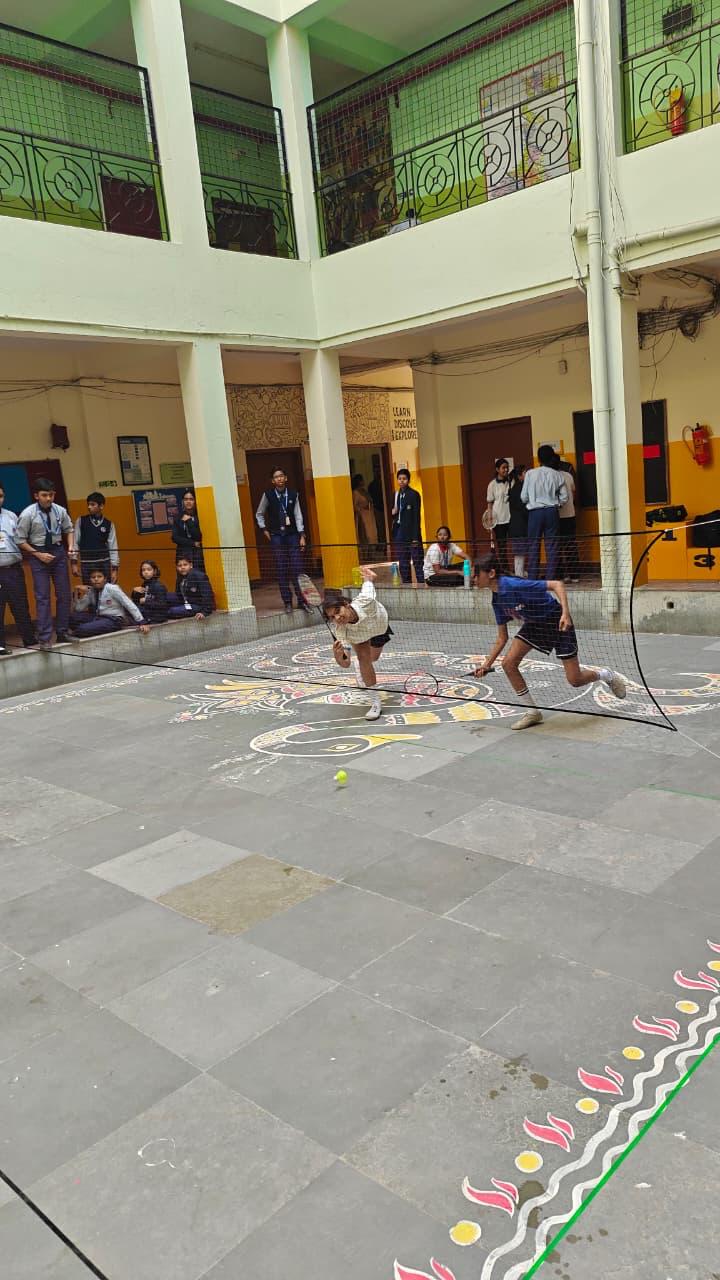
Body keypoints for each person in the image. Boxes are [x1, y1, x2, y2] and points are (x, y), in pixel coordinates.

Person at [472, 551, 626, 730]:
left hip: (556, 620)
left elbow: (557, 585)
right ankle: (532, 712)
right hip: (535, 625)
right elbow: (502, 637)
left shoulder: (514, 585)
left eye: (477, 574)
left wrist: (565, 613)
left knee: (575, 680)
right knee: (508, 664)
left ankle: (606, 675)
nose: (473, 578)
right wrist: (486, 665)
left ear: (490, 574)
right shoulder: (497, 600)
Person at [15, 477, 77, 651]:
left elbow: (69, 529)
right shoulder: (28, 514)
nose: (48, 499)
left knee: (64, 594)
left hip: (57, 552)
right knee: (43, 597)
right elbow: (20, 540)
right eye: (44, 495)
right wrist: (38, 554)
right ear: (36, 496)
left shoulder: (60, 510)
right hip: (37, 553)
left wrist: (71, 546)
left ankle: (63, 632)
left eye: (51, 495)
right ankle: (44, 638)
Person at [323, 567, 392, 722]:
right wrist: (338, 656)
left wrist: (369, 578)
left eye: (338, 610)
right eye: (332, 616)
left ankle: (361, 668)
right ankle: (375, 703)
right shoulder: (341, 629)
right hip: (359, 636)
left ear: (346, 604)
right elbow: (345, 663)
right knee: (364, 659)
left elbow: (368, 584)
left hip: (379, 625)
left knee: (374, 657)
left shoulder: (365, 601)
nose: (337, 617)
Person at [255, 467, 309, 614]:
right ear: (272, 481)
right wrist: (264, 530)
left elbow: (298, 515)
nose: (279, 479)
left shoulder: (293, 494)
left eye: (281, 476)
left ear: (286, 478)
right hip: (277, 536)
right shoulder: (268, 495)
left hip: (292, 536)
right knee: (281, 569)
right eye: (276, 477)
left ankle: (302, 601)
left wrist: (302, 535)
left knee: (298, 569)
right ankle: (287, 602)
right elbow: (259, 513)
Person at [521, 445, 568, 579]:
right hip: (552, 512)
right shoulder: (557, 474)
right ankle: (550, 579)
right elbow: (564, 497)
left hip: (535, 513)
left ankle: (533, 578)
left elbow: (523, 497)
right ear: (552, 457)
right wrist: (556, 504)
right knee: (552, 546)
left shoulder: (530, 473)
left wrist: (531, 502)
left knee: (533, 545)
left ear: (539, 458)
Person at [0, 484, 37, 653]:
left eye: (0, 496)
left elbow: (21, 539)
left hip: (14, 569)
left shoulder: (11, 516)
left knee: (21, 607)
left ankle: (30, 640)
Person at [70, 567, 149, 638]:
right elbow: (78, 609)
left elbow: (128, 603)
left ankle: (77, 632)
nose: (96, 579)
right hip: (98, 618)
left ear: (105, 579)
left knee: (82, 629)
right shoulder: (92, 591)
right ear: (90, 580)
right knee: (71, 618)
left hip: (114, 620)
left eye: (99, 577)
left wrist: (141, 621)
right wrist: (77, 592)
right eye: (93, 577)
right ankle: (80, 630)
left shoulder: (112, 588)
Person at [73, 492, 119, 584]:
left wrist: (115, 569)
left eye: (92, 504)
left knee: (106, 591)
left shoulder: (109, 524)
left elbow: (113, 546)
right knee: (88, 591)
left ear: (101, 506)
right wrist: (74, 563)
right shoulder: (81, 521)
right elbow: (75, 542)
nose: (89, 507)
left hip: (104, 563)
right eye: (88, 504)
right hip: (86, 563)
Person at [391, 468, 424, 584]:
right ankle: (406, 583)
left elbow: (416, 517)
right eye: (399, 479)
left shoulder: (414, 495)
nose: (401, 481)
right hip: (400, 531)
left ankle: (421, 583)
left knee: (417, 560)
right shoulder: (396, 494)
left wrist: (415, 537)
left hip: (411, 532)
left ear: (408, 480)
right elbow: (394, 512)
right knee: (403, 561)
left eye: (404, 479)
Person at [553, 456, 580, 583]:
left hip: (556, 517)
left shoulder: (550, 476)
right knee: (571, 546)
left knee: (556, 547)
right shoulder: (568, 476)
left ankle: (561, 575)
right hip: (570, 514)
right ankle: (575, 575)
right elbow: (573, 493)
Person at [168, 553, 215, 619]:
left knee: (172, 611)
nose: (182, 567)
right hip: (185, 601)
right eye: (179, 565)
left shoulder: (200, 576)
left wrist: (205, 612)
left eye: (185, 565)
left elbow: (208, 595)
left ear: (191, 565)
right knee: (166, 596)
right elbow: (178, 593)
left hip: (197, 605)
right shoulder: (180, 577)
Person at [486, 458, 511, 571]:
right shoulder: (492, 485)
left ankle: (516, 569)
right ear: (497, 469)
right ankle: (504, 570)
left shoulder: (511, 481)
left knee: (513, 545)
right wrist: (490, 520)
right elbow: (490, 504)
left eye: (507, 467)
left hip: (511, 518)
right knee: (502, 547)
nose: (506, 470)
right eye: (503, 468)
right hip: (499, 520)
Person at [171, 490, 205, 571]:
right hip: (182, 554)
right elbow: (174, 537)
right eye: (186, 499)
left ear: (195, 501)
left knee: (198, 578)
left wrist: (189, 521)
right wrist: (192, 543)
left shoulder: (199, 516)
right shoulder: (178, 517)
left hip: (197, 555)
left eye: (191, 499)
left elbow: (198, 536)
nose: (188, 502)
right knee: (183, 580)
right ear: (183, 501)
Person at [508, 464, 529, 577]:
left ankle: (520, 573)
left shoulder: (514, 488)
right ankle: (519, 575)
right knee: (520, 551)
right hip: (520, 525)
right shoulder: (520, 488)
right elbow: (523, 507)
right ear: (519, 476)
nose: (528, 474)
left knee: (520, 551)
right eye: (525, 472)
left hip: (516, 524)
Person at [352, 474, 378, 556]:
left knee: (372, 534)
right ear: (358, 482)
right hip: (362, 517)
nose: (363, 481)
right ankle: (366, 555)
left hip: (370, 516)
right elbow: (354, 506)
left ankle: (372, 554)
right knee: (365, 535)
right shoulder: (355, 492)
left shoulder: (364, 491)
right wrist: (362, 509)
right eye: (361, 480)